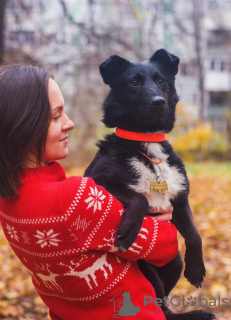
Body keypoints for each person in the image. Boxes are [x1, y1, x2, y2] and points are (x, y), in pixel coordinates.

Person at [0, 62, 178, 320]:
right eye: (55, 116)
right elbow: (166, 247)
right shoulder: (74, 198)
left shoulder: (7, 200)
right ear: (22, 126)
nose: (69, 123)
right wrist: (158, 221)